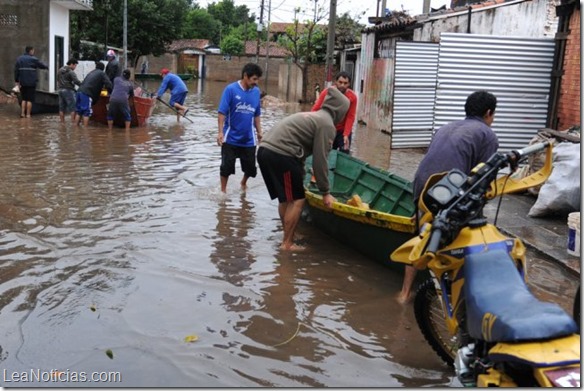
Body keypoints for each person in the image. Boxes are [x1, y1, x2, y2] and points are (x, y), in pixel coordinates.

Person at [397, 90, 499, 304]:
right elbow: (483, 178)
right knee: (464, 237)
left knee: (421, 237)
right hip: (447, 189)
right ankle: (454, 296)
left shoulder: (446, 127)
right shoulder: (487, 135)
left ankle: (404, 294)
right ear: (489, 113)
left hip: (422, 186)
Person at [257, 87, 350, 251]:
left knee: (285, 198)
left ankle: (289, 234)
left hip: (265, 151)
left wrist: (300, 173)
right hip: (281, 155)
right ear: (340, 111)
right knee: (298, 199)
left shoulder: (315, 116)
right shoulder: (327, 125)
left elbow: (298, 148)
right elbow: (320, 161)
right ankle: (287, 243)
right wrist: (326, 192)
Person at [216, 63, 263, 193]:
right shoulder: (230, 90)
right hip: (230, 137)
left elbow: (257, 114)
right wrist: (220, 132)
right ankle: (223, 191)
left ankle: (243, 182)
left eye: (258, 79)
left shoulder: (256, 92)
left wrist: (260, 132)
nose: (256, 82)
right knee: (226, 167)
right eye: (254, 79)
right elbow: (222, 112)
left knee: (251, 169)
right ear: (245, 76)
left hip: (249, 139)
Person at [311, 71, 357, 154]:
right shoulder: (327, 92)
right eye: (340, 82)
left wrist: (346, 134)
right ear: (336, 82)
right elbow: (315, 110)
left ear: (349, 84)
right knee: (326, 152)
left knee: (345, 151)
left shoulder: (352, 97)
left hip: (343, 130)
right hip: (328, 128)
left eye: (345, 83)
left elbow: (350, 117)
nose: (342, 85)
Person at [14, 45, 48, 118]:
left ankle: (22, 114)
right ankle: (28, 114)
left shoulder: (19, 59)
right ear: (31, 51)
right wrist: (47, 66)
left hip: (22, 82)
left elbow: (16, 71)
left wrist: (16, 81)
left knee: (24, 99)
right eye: (33, 51)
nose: (33, 52)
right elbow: (42, 65)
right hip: (31, 82)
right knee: (29, 99)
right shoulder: (34, 59)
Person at [74, 61, 112, 127]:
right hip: (86, 94)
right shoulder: (102, 74)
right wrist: (111, 92)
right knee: (86, 112)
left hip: (79, 92)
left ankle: (76, 129)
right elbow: (109, 84)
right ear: (103, 69)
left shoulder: (91, 72)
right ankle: (85, 130)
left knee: (79, 112)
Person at [57, 58, 82, 123]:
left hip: (60, 90)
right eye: (75, 65)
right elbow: (76, 81)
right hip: (68, 90)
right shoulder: (71, 72)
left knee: (61, 108)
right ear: (71, 64)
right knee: (73, 108)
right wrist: (83, 85)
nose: (75, 67)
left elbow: (57, 79)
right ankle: (73, 123)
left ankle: (62, 123)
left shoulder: (60, 70)